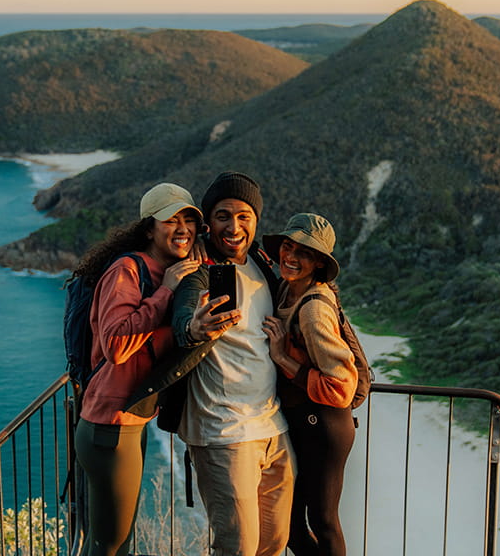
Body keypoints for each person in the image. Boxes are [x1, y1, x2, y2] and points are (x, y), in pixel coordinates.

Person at [124, 171, 294, 556]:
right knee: (237, 548)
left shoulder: (263, 266)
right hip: (223, 432)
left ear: (255, 220)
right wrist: (195, 327)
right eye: (222, 216)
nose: (233, 227)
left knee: (274, 542)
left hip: (273, 426)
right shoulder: (198, 272)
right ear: (208, 222)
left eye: (243, 216)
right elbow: (186, 320)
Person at [72, 182, 202, 556]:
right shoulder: (128, 270)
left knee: (118, 541)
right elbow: (115, 346)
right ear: (149, 228)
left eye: (189, 220)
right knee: (109, 546)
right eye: (171, 220)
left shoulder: (165, 270)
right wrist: (166, 291)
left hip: (127, 423)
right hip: (108, 428)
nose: (182, 229)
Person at [261, 213, 357, 556]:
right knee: (288, 520)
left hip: (326, 423)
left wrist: (282, 357)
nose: (290, 256)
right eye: (288, 246)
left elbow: (342, 386)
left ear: (317, 262)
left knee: (322, 519)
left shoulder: (314, 311)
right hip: (306, 422)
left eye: (303, 253)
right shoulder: (288, 288)